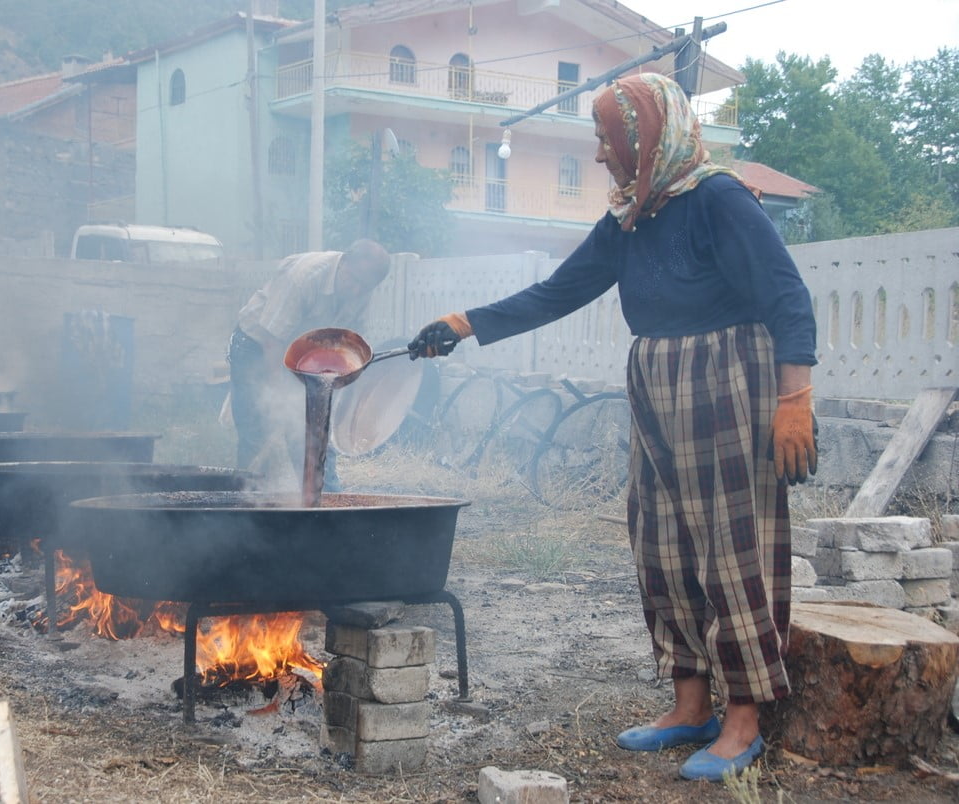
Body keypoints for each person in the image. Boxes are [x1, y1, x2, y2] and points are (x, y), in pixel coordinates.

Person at [408, 72, 817, 782]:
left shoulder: (717, 200)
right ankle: (690, 703)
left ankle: (743, 715)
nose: (599, 153)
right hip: (657, 383)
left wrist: (796, 397)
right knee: (660, 542)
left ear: (644, 136)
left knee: (732, 549)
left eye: (604, 137)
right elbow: (559, 290)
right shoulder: (635, 214)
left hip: (725, 379)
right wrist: (464, 324)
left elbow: (787, 296)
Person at [229, 239, 391, 489]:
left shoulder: (361, 291)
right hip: (257, 346)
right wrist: (279, 400)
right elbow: (272, 341)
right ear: (344, 263)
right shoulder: (304, 277)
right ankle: (249, 504)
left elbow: (349, 346)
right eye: (355, 282)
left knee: (315, 432)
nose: (357, 291)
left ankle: (324, 504)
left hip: (307, 357)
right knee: (258, 429)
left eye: (366, 287)